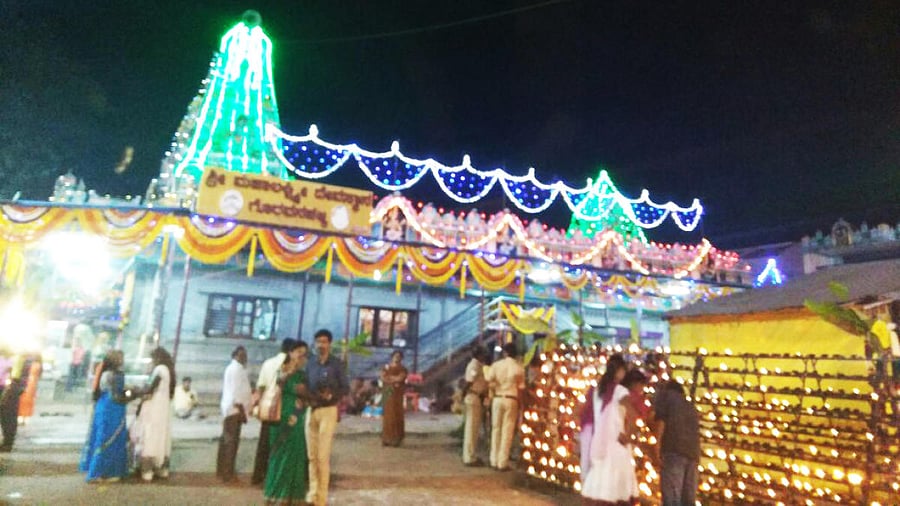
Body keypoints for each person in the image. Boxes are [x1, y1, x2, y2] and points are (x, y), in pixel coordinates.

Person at [580, 353, 639, 505]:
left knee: (600, 484)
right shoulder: (619, 391)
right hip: (615, 443)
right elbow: (633, 416)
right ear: (620, 371)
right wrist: (629, 436)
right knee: (618, 487)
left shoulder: (597, 390)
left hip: (599, 442)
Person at [264, 340, 311, 505]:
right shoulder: (282, 371)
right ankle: (275, 494)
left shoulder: (303, 375)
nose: (302, 356)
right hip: (282, 418)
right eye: (299, 352)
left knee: (296, 456)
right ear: (290, 353)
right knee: (280, 456)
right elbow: (290, 388)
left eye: (304, 354)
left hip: (297, 419)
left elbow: (307, 394)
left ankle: (293, 496)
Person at [306, 329, 348, 506]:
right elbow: (305, 384)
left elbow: (345, 388)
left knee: (323, 456)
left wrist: (333, 395)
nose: (321, 345)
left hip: (328, 411)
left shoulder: (337, 364)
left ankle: (321, 497)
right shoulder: (310, 364)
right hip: (312, 410)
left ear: (330, 344)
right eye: (318, 342)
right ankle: (312, 492)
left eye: (324, 341)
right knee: (312, 456)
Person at [79, 350, 131, 482]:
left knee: (103, 438)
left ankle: (101, 471)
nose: (122, 360)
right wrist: (131, 395)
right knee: (110, 439)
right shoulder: (114, 375)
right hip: (112, 408)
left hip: (105, 406)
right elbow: (116, 395)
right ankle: (104, 472)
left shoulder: (106, 373)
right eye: (120, 358)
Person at [253, 338, 295, 486]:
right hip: (284, 409)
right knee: (280, 444)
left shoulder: (268, 363)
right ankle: (275, 477)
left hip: (268, 408)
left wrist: (257, 406)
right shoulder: (291, 366)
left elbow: (260, 387)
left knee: (264, 443)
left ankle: (258, 476)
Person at [654, 380, 700, 506]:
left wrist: (657, 446)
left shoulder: (666, 397)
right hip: (693, 454)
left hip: (673, 450)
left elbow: (661, 422)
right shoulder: (690, 405)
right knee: (688, 499)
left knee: (672, 497)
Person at [133, 347, 175, 482]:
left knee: (150, 436)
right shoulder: (169, 371)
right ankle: (162, 469)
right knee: (161, 436)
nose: (152, 361)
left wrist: (136, 391)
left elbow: (151, 388)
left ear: (157, 358)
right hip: (163, 408)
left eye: (153, 359)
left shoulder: (160, 369)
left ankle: (148, 470)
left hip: (154, 407)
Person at [485, 342, 525, 471]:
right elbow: (521, 388)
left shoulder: (496, 366)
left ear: (505, 353)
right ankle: (502, 462)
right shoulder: (519, 368)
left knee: (496, 428)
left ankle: (493, 460)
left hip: (497, 398)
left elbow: (489, 379)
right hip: (511, 399)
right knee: (507, 431)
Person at [217, 345, 252, 483]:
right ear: (236, 355)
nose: (245, 358)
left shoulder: (232, 368)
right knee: (231, 443)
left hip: (230, 409)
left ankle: (222, 471)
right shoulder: (237, 369)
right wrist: (243, 412)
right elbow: (236, 393)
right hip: (235, 410)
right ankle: (228, 474)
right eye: (242, 355)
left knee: (226, 442)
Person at [462, 346, 489, 466]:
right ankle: (469, 457)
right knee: (472, 429)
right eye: (483, 353)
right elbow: (469, 381)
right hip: (473, 397)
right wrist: (463, 394)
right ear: (479, 354)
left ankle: (469, 455)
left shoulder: (478, 365)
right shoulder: (475, 365)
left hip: (475, 397)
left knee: (473, 428)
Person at [380, 350, 408, 447]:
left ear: (401, 358)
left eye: (399, 356)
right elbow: (383, 377)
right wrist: (393, 379)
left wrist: (390, 378)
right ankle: (386, 438)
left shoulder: (403, 369)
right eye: (395, 356)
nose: (397, 357)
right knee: (387, 414)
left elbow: (400, 378)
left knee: (396, 413)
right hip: (388, 391)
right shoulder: (386, 367)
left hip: (397, 393)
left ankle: (396, 438)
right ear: (392, 357)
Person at [0, 351, 24, 452]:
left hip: (10, 389)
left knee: (8, 417)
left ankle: (7, 443)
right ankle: (7, 442)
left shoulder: (18, 359)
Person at [17, 354, 42, 425]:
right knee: (27, 401)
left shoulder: (25, 363)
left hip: (26, 384)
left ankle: (21, 417)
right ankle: (24, 417)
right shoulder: (37, 365)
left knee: (23, 401)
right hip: (31, 385)